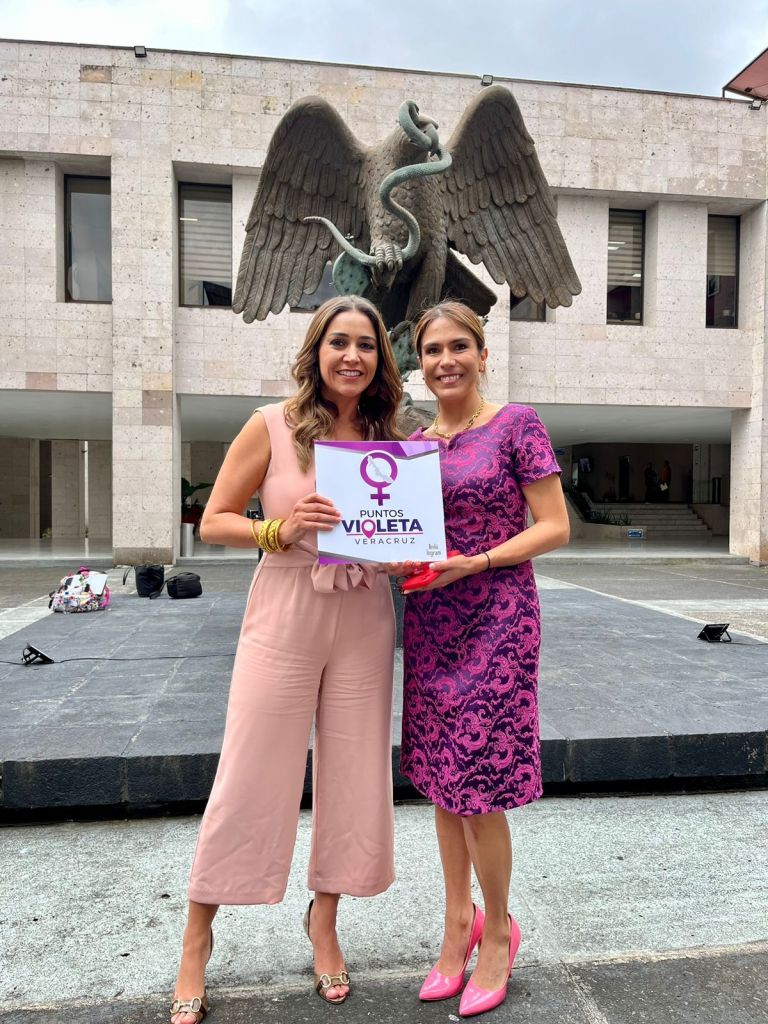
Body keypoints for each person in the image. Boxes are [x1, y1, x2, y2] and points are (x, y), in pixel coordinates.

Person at [169, 295, 403, 1023]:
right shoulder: (270, 424)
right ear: (316, 350)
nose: (352, 356)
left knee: (355, 771)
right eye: (339, 342)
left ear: (380, 359)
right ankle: (197, 938)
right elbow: (213, 521)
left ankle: (324, 921)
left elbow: (401, 532)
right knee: (250, 769)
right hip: (286, 605)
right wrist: (279, 528)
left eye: (366, 344)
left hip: (364, 611)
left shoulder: (390, 440)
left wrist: (409, 551)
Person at [396, 301, 570, 1019]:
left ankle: (497, 930)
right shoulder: (412, 447)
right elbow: (407, 534)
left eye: (459, 346)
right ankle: (455, 925)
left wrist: (480, 561)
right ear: (420, 363)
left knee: (479, 785)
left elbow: (555, 526)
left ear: (483, 353)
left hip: (499, 617)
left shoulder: (516, 424)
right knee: (443, 783)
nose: (446, 361)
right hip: (432, 620)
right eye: (433, 350)